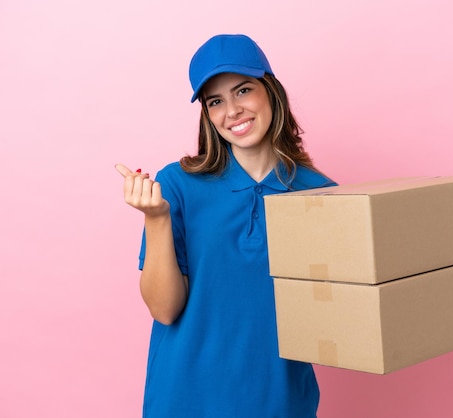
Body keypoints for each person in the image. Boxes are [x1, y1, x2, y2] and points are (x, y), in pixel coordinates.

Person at [115, 34, 336, 418]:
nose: (232, 110)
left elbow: (333, 311)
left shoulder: (321, 195)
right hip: (185, 400)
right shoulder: (178, 185)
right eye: (215, 101)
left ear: (271, 91)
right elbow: (164, 310)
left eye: (243, 90)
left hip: (281, 402)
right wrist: (157, 217)